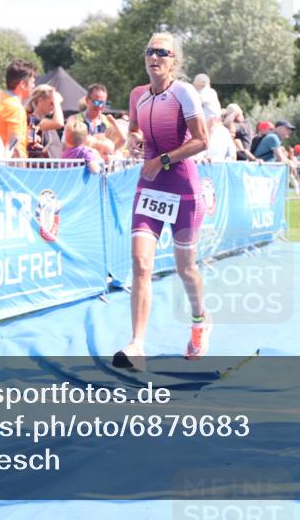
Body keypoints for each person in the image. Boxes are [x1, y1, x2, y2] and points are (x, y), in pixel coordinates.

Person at [113, 32, 211, 370]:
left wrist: (163, 160)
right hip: (150, 186)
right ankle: (137, 344)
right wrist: (135, 142)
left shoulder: (183, 93)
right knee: (140, 263)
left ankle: (200, 321)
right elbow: (135, 133)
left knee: (186, 268)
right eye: (149, 50)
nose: (154, 56)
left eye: (162, 52)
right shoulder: (138, 95)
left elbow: (202, 140)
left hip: (182, 188)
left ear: (174, 61)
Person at [0, 58, 36, 158]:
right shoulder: (15, 108)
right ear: (23, 84)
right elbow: (14, 144)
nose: (34, 86)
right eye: (32, 82)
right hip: (9, 167)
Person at [72, 84, 126, 154]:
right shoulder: (74, 120)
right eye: (96, 102)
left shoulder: (108, 122)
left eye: (103, 103)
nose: (100, 106)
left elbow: (121, 141)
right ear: (87, 100)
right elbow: (68, 146)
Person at [26, 84, 65, 159]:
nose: (54, 106)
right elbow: (59, 123)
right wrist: (56, 101)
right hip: (42, 168)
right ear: (40, 100)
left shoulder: (45, 120)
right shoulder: (32, 119)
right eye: (51, 103)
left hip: (53, 168)